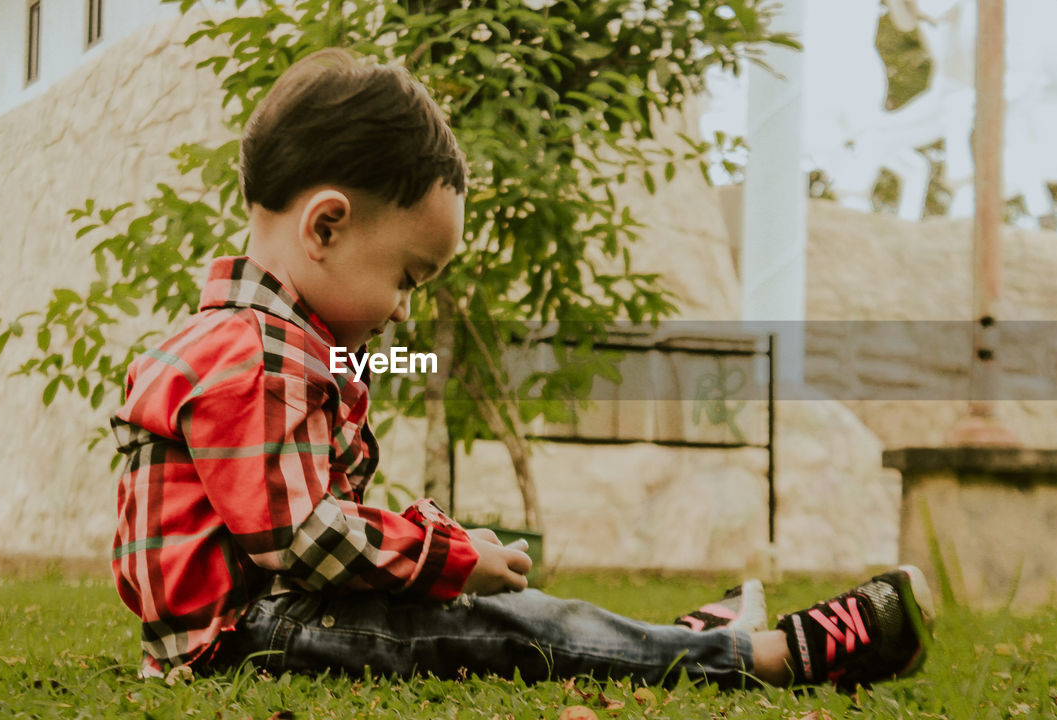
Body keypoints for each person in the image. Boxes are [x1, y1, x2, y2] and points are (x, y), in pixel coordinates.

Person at [109, 47, 935, 692]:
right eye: (407, 276)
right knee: (496, 628)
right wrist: (450, 556)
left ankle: (679, 643)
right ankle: (769, 657)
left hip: (267, 620)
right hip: (251, 640)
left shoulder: (253, 341)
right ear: (326, 225)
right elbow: (305, 540)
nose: (402, 307)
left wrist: (444, 552)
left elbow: (311, 523)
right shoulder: (253, 356)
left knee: (498, 613)